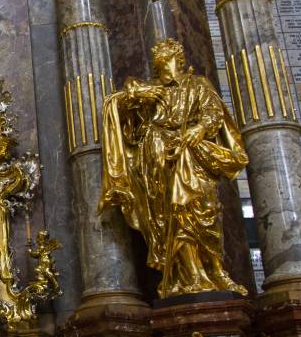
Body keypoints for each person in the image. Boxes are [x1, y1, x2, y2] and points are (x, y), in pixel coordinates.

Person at [99, 38, 248, 298]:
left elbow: (214, 113)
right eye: (158, 62)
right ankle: (188, 276)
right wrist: (136, 94)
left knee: (205, 209)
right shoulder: (149, 89)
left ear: (177, 60)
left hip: (192, 156)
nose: (162, 65)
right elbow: (114, 106)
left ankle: (214, 271)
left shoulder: (197, 85)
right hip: (158, 160)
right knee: (171, 217)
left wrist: (199, 129)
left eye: (166, 59)